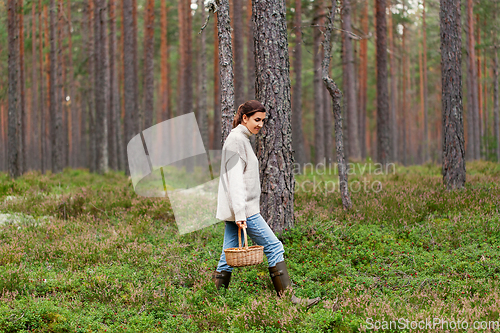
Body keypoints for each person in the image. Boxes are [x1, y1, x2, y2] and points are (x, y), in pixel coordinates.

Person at [212, 100, 322, 308]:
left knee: (228, 256)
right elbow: (234, 181)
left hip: (239, 210)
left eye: (263, 120)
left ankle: (215, 303)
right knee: (274, 246)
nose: (260, 124)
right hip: (244, 210)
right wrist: (241, 214)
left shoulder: (241, 139)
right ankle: (290, 301)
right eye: (256, 120)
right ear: (244, 118)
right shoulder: (236, 141)